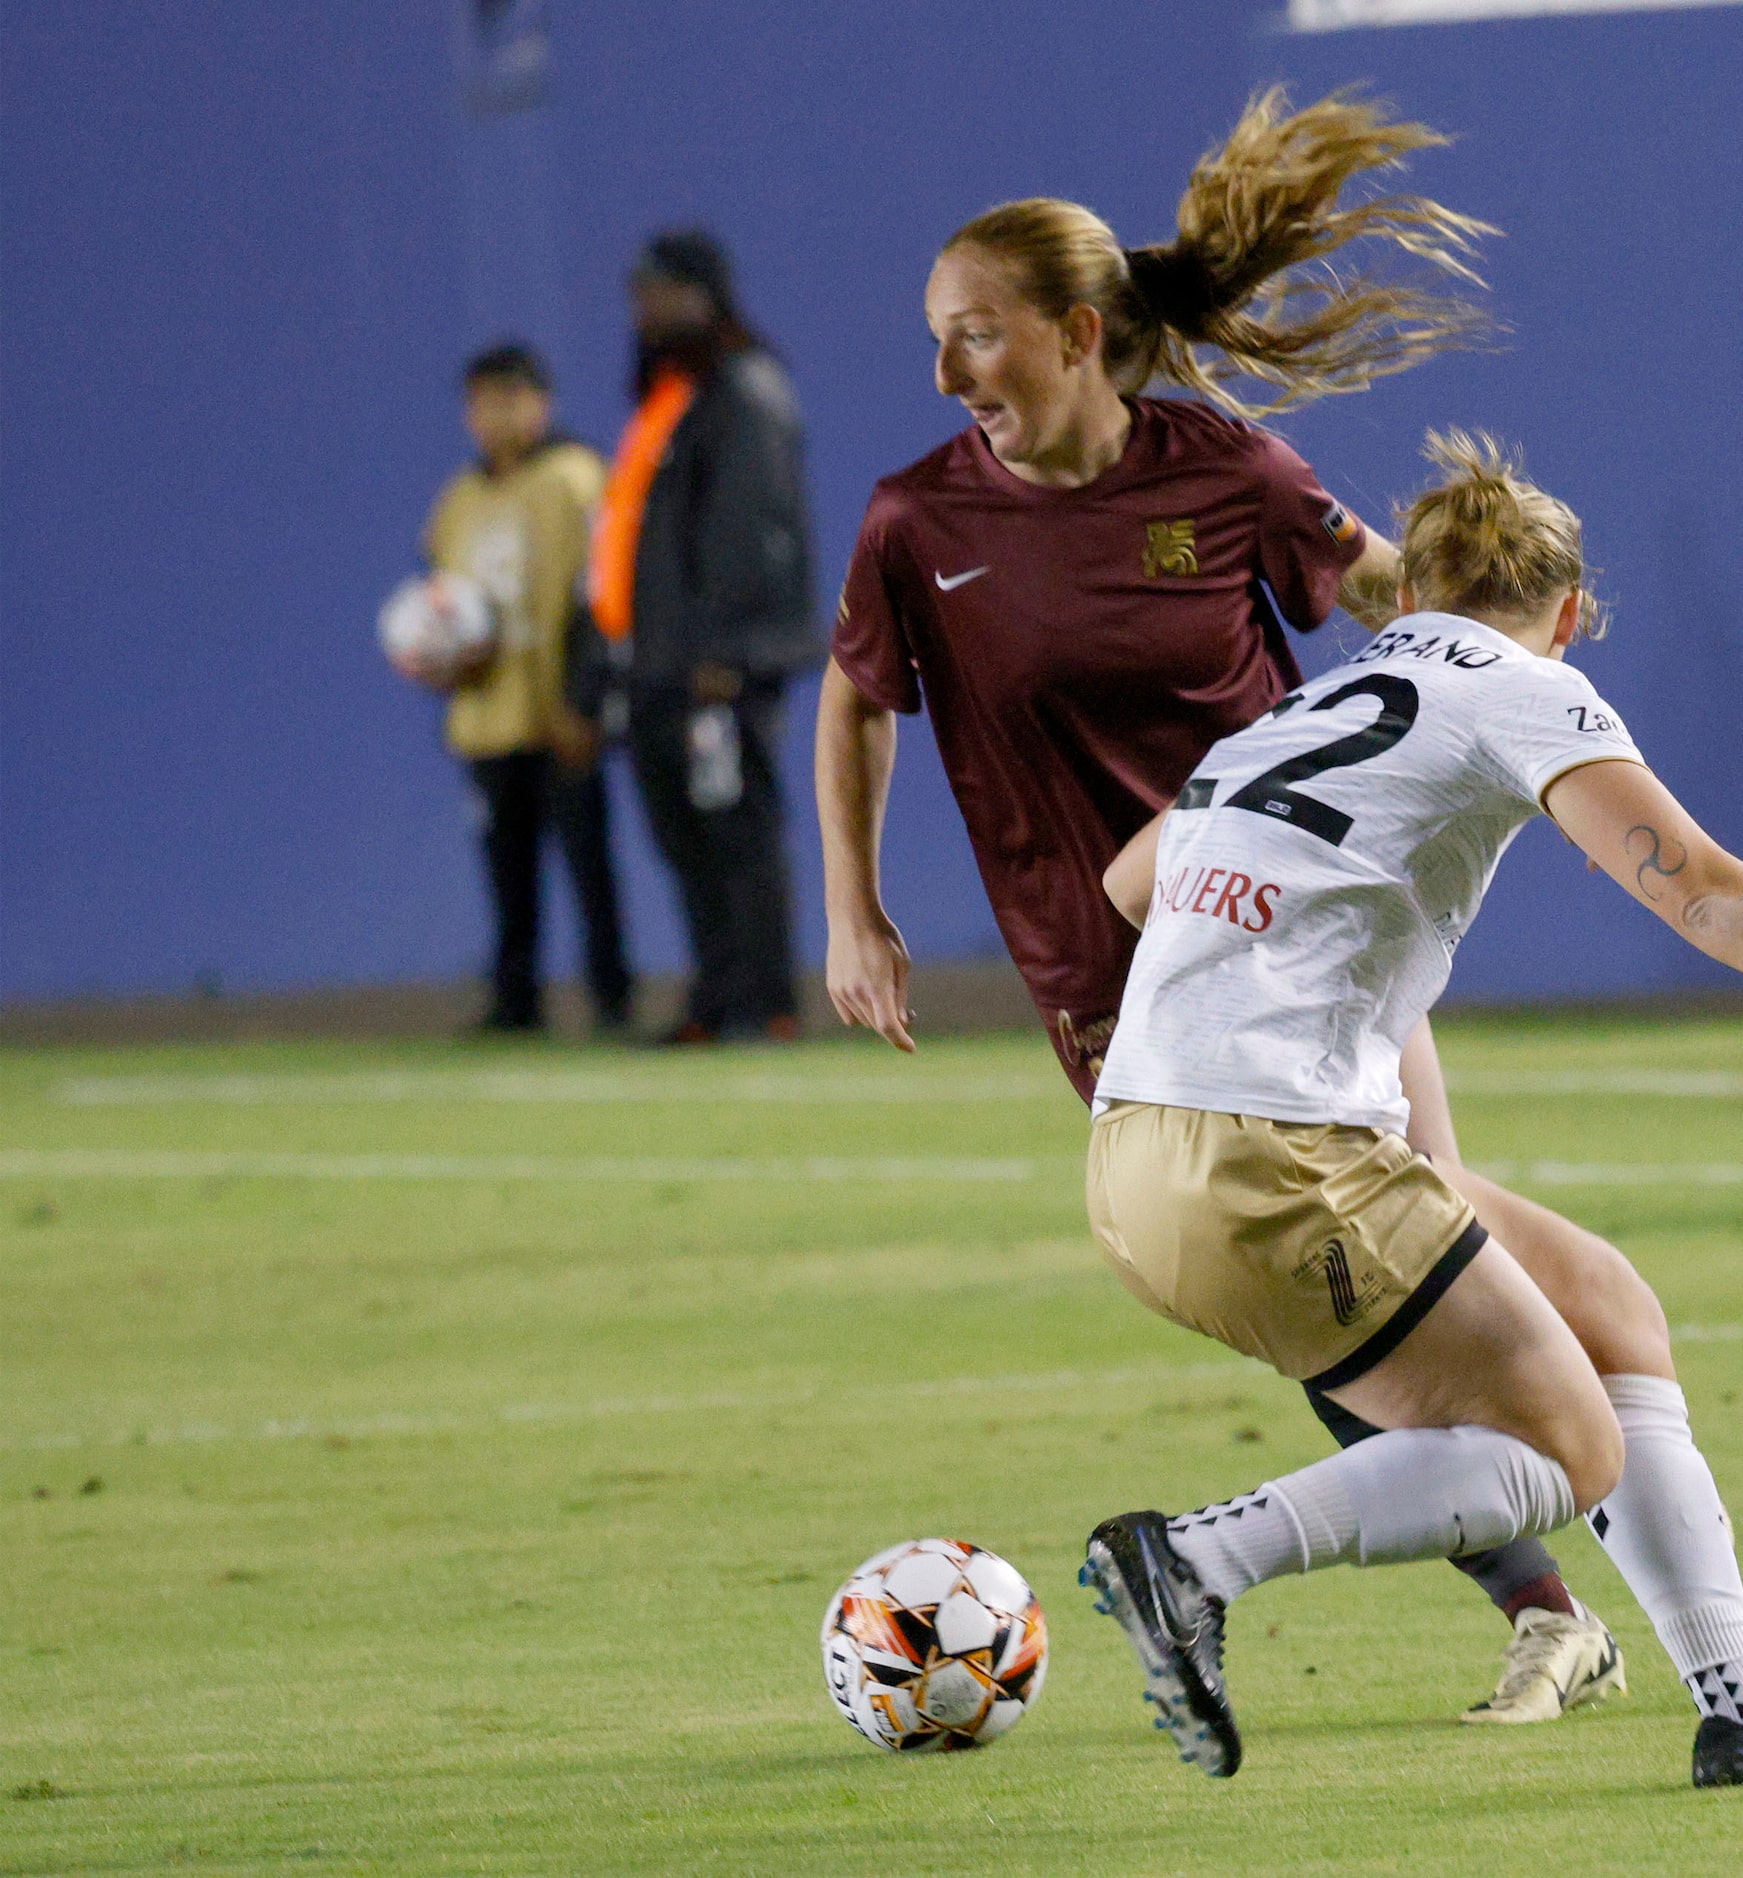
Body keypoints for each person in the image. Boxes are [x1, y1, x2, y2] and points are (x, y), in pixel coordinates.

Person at [1079, 432, 1743, 1787]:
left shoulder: (1307, 709)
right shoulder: (1526, 687)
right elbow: (1707, 893)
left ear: (1409, 592)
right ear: (1567, 613)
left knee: (1606, 1305)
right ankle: (1195, 1557)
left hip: (1148, 1146)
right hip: (1269, 1153)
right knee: (1568, 1447)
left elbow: (1133, 886)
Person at [819, 89, 1643, 1723]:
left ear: (1073, 333)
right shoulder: (920, 522)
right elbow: (856, 700)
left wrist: (1523, 641)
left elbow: (1387, 593)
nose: (941, 376)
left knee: (1403, 1239)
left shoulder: (1227, 471)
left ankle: (1569, 1595)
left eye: (972, 336)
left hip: (1311, 930)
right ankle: (1564, 1579)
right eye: (932, 340)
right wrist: (854, 909)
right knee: (1334, 1298)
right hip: (1111, 969)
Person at [595, 229, 818, 1044]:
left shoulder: (742, 392)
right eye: (638, 294)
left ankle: (768, 1001)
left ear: (705, 297)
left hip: (717, 670)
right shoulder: (673, 397)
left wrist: (731, 652)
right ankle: (719, 997)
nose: (643, 311)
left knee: (735, 828)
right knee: (687, 835)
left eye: (659, 292)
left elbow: (754, 536)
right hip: (662, 668)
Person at [422, 341, 632, 1036]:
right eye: (482, 403)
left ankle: (611, 996)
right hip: (488, 717)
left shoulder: (575, 478)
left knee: (587, 868)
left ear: (542, 404)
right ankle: (515, 1001)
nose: (495, 417)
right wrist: (437, 656)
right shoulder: (459, 498)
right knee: (506, 876)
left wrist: (588, 699)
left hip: (560, 713)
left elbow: (600, 595)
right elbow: (439, 601)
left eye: (510, 400)